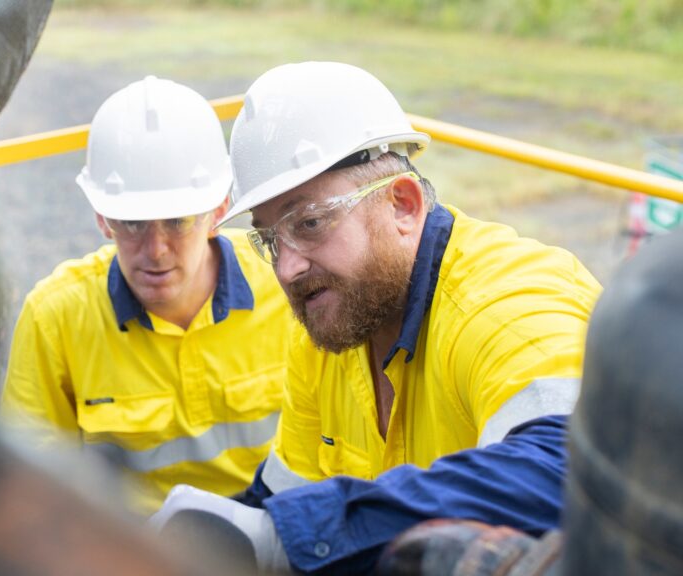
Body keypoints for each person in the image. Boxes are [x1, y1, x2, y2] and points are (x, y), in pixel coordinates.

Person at [151, 61, 602, 573]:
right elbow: (282, 497)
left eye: (311, 222)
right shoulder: (331, 334)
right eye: (270, 239)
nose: (287, 267)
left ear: (403, 206)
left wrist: (288, 534)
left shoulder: (507, 301)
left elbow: (574, 471)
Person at [0, 76, 293, 513]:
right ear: (103, 219)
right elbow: (30, 490)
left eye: (177, 222)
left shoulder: (286, 289)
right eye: (133, 224)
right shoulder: (56, 316)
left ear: (218, 210)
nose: (155, 251)